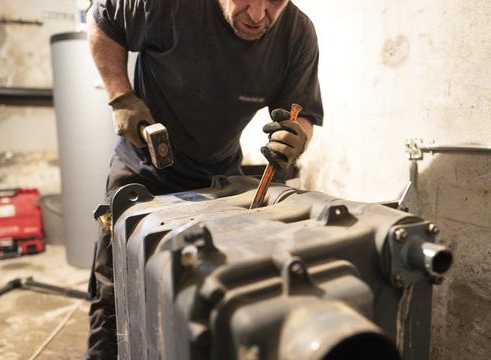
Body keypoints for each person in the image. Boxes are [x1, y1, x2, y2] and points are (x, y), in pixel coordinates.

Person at [85, 0, 323, 357]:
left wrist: (297, 137)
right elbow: (101, 22)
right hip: (143, 170)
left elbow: (302, 111)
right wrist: (121, 97)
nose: (258, 15)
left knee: (215, 285)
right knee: (116, 289)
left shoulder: (296, 33)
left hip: (219, 177)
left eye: (274, 1)